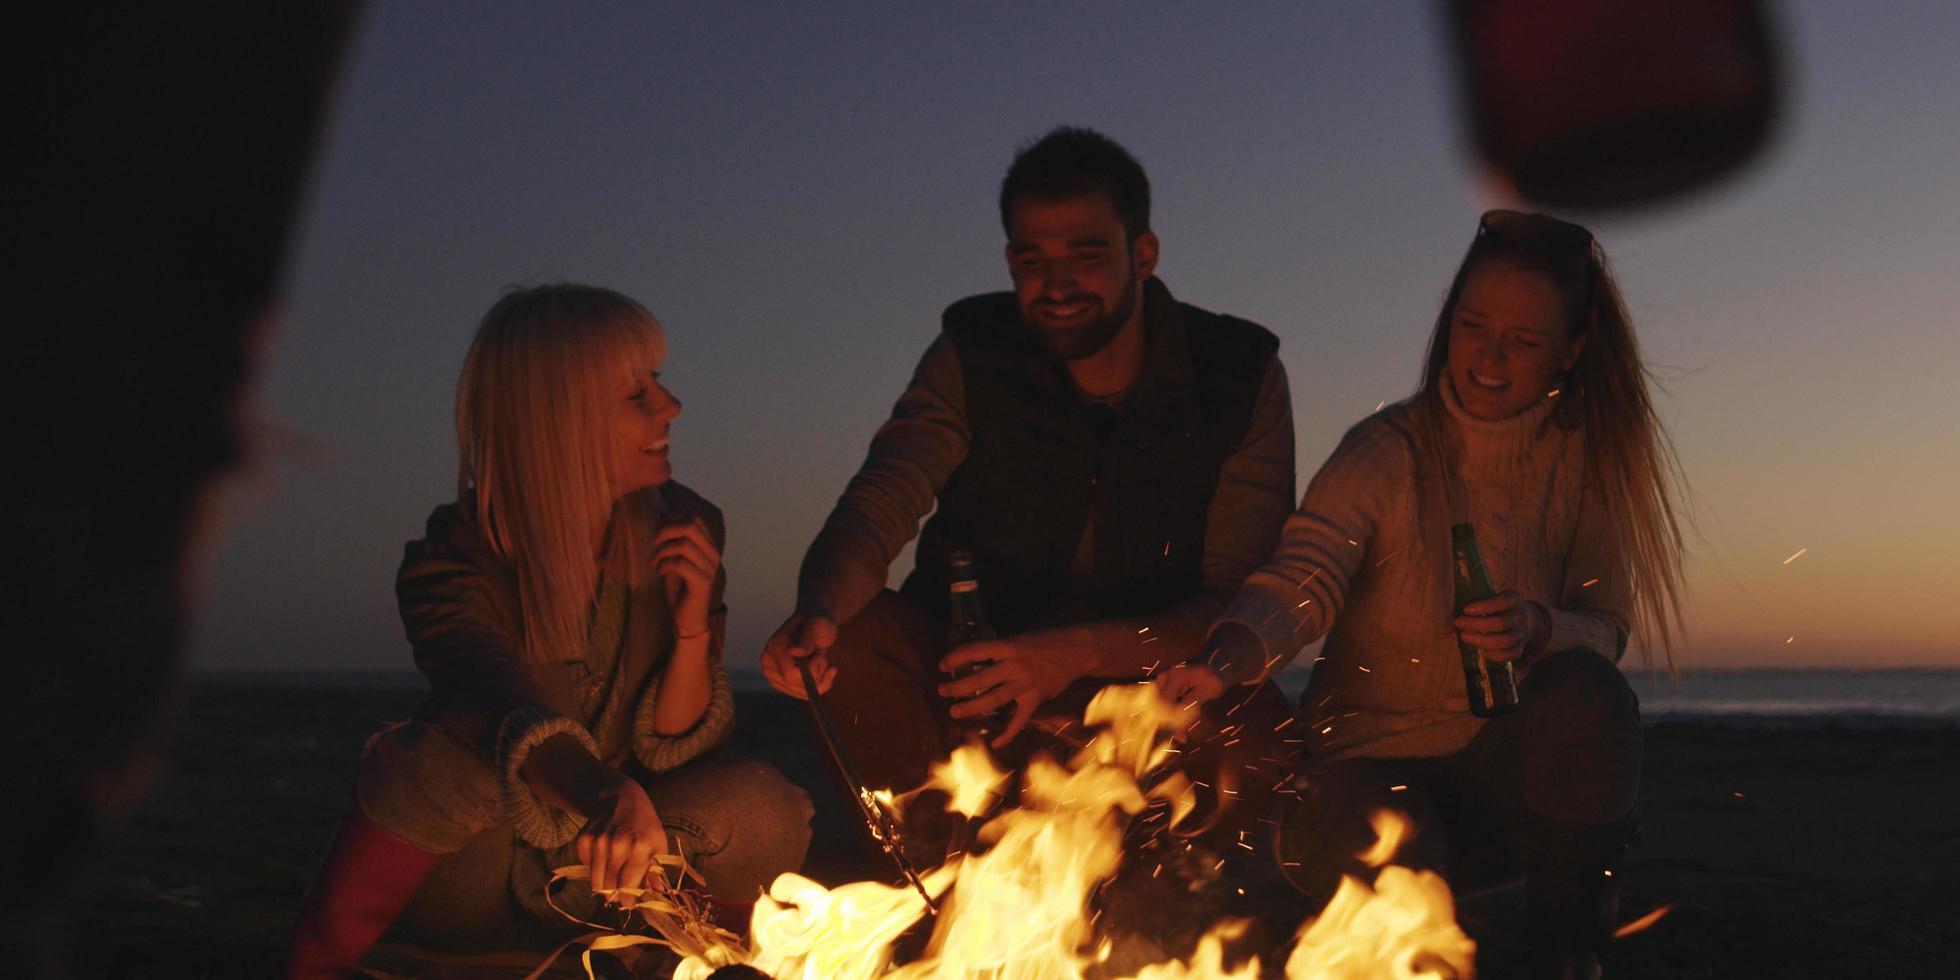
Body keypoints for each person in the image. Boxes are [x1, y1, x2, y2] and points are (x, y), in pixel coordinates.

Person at [1157, 210, 1688, 979]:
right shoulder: (1387, 453)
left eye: (1524, 339)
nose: (1490, 356)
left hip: (1504, 792)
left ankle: (1570, 958)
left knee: (1590, 695)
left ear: (1571, 350)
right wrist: (1228, 657)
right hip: (1357, 778)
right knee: (1400, 866)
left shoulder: (1585, 468)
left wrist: (1538, 628)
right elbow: (1301, 577)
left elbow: (1605, 629)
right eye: (1475, 325)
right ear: (1449, 321)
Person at [758, 127, 1298, 839]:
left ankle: (1164, 890)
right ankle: (933, 877)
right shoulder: (973, 354)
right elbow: (879, 502)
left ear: (1144, 254)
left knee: (1262, 737)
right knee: (852, 640)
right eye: (1033, 258)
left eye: (1087, 253)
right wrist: (819, 611)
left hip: (1140, 684)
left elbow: (1237, 603)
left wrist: (1073, 655)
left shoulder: (1236, 375)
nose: (1058, 282)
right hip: (968, 682)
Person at [284, 285, 812, 977]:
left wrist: (689, 632)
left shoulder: (681, 526)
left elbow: (673, 760)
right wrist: (601, 792)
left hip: (610, 876)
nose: (671, 406)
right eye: (636, 395)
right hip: (478, 875)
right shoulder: (455, 558)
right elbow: (489, 695)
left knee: (766, 806)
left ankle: (658, 951)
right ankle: (330, 961)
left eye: (658, 382)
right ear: (557, 420)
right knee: (433, 758)